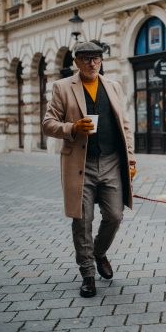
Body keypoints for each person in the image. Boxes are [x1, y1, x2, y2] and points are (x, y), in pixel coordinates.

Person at [42, 42, 136, 298]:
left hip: (112, 162)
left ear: (101, 61)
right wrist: (72, 128)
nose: (91, 64)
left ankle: (98, 252)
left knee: (115, 216)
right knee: (82, 221)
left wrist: (131, 160)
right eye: (86, 60)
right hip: (79, 165)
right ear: (76, 62)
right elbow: (48, 124)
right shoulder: (62, 87)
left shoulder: (113, 86)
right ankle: (87, 275)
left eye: (95, 59)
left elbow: (125, 126)